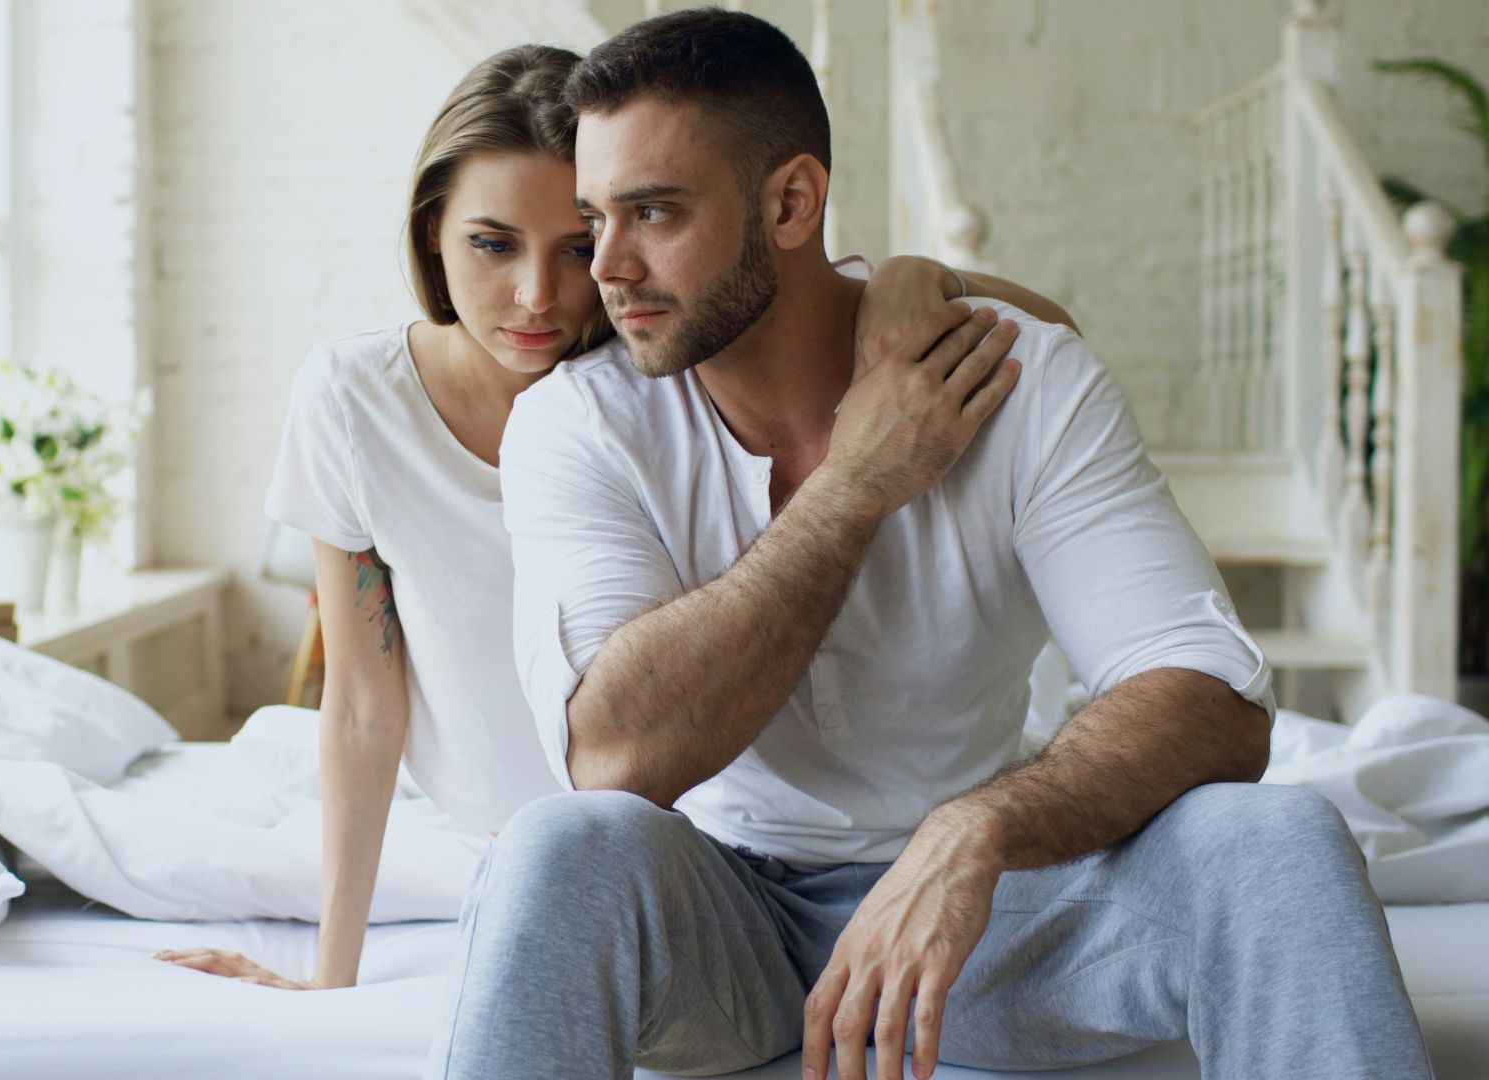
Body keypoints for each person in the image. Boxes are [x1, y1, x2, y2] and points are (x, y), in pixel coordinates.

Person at [425, 11, 1433, 1080]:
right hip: (732, 923)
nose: (607, 267)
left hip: (998, 924)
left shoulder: (1018, 382)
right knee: (556, 851)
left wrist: (975, 835)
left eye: (654, 213)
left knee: (1278, 842)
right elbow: (618, 759)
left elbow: (1211, 697)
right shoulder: (578, 424)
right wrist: (858, 485)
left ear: (791, 201)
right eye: (596, 219)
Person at [156, 44, 1073, 995]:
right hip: (509, 838)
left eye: (577, 244)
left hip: (689, 841)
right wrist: (332, 976)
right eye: (491, 242)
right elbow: (358, 700)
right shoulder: (354, 400)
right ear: (432, 232)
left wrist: (919, 278)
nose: (538, 297)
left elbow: (1049, 339)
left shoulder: (666, 372)